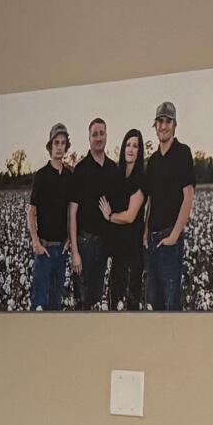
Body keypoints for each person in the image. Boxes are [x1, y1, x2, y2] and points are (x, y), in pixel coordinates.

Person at [138, 99, 197, 312]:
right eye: (159, 122)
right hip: (151, 240)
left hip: (170, 239)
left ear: (174, 125)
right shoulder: (153, 160)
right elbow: (151, 199)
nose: (163, 126)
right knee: (154, 302)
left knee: (172, 305)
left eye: (167, 121)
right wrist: (145, 232)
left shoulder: (183, 153)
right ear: (155, 126)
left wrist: (174, 235)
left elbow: (188, 195)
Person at [72, 118, 129, 311]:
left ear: (106, 135)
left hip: (105, 244)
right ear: (88, 138)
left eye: (101, 133)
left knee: (96, 298)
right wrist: (75, 251)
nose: (98, 138)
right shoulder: (80, 170)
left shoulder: (114, 169)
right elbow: (72, 213)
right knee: (83, 300)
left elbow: (120, 208)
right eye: (94, 134)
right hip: (85, 243)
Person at [89, 120, 146, 310]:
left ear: (140, 152)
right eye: (128, 144)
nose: (131, 149)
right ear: (123, 148)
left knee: (130, 304)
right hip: (118, 253)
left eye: (135, 146)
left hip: (133, 252)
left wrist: (110, 216)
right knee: (114, 302)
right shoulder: (118, 175)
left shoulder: (140, 179)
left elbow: (130, 216)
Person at [24, 123, 80, 310]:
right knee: (39, 302)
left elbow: (72, 213)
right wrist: (36, 243)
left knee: (56, 303)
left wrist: (69, 242)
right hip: (44, 250)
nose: (59, 146)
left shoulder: (70, 177)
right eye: (56, 142)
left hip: (61, 252)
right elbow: (31, 212)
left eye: (63, 143)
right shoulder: (41, 176)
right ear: (50, 146)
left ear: (66, 147)